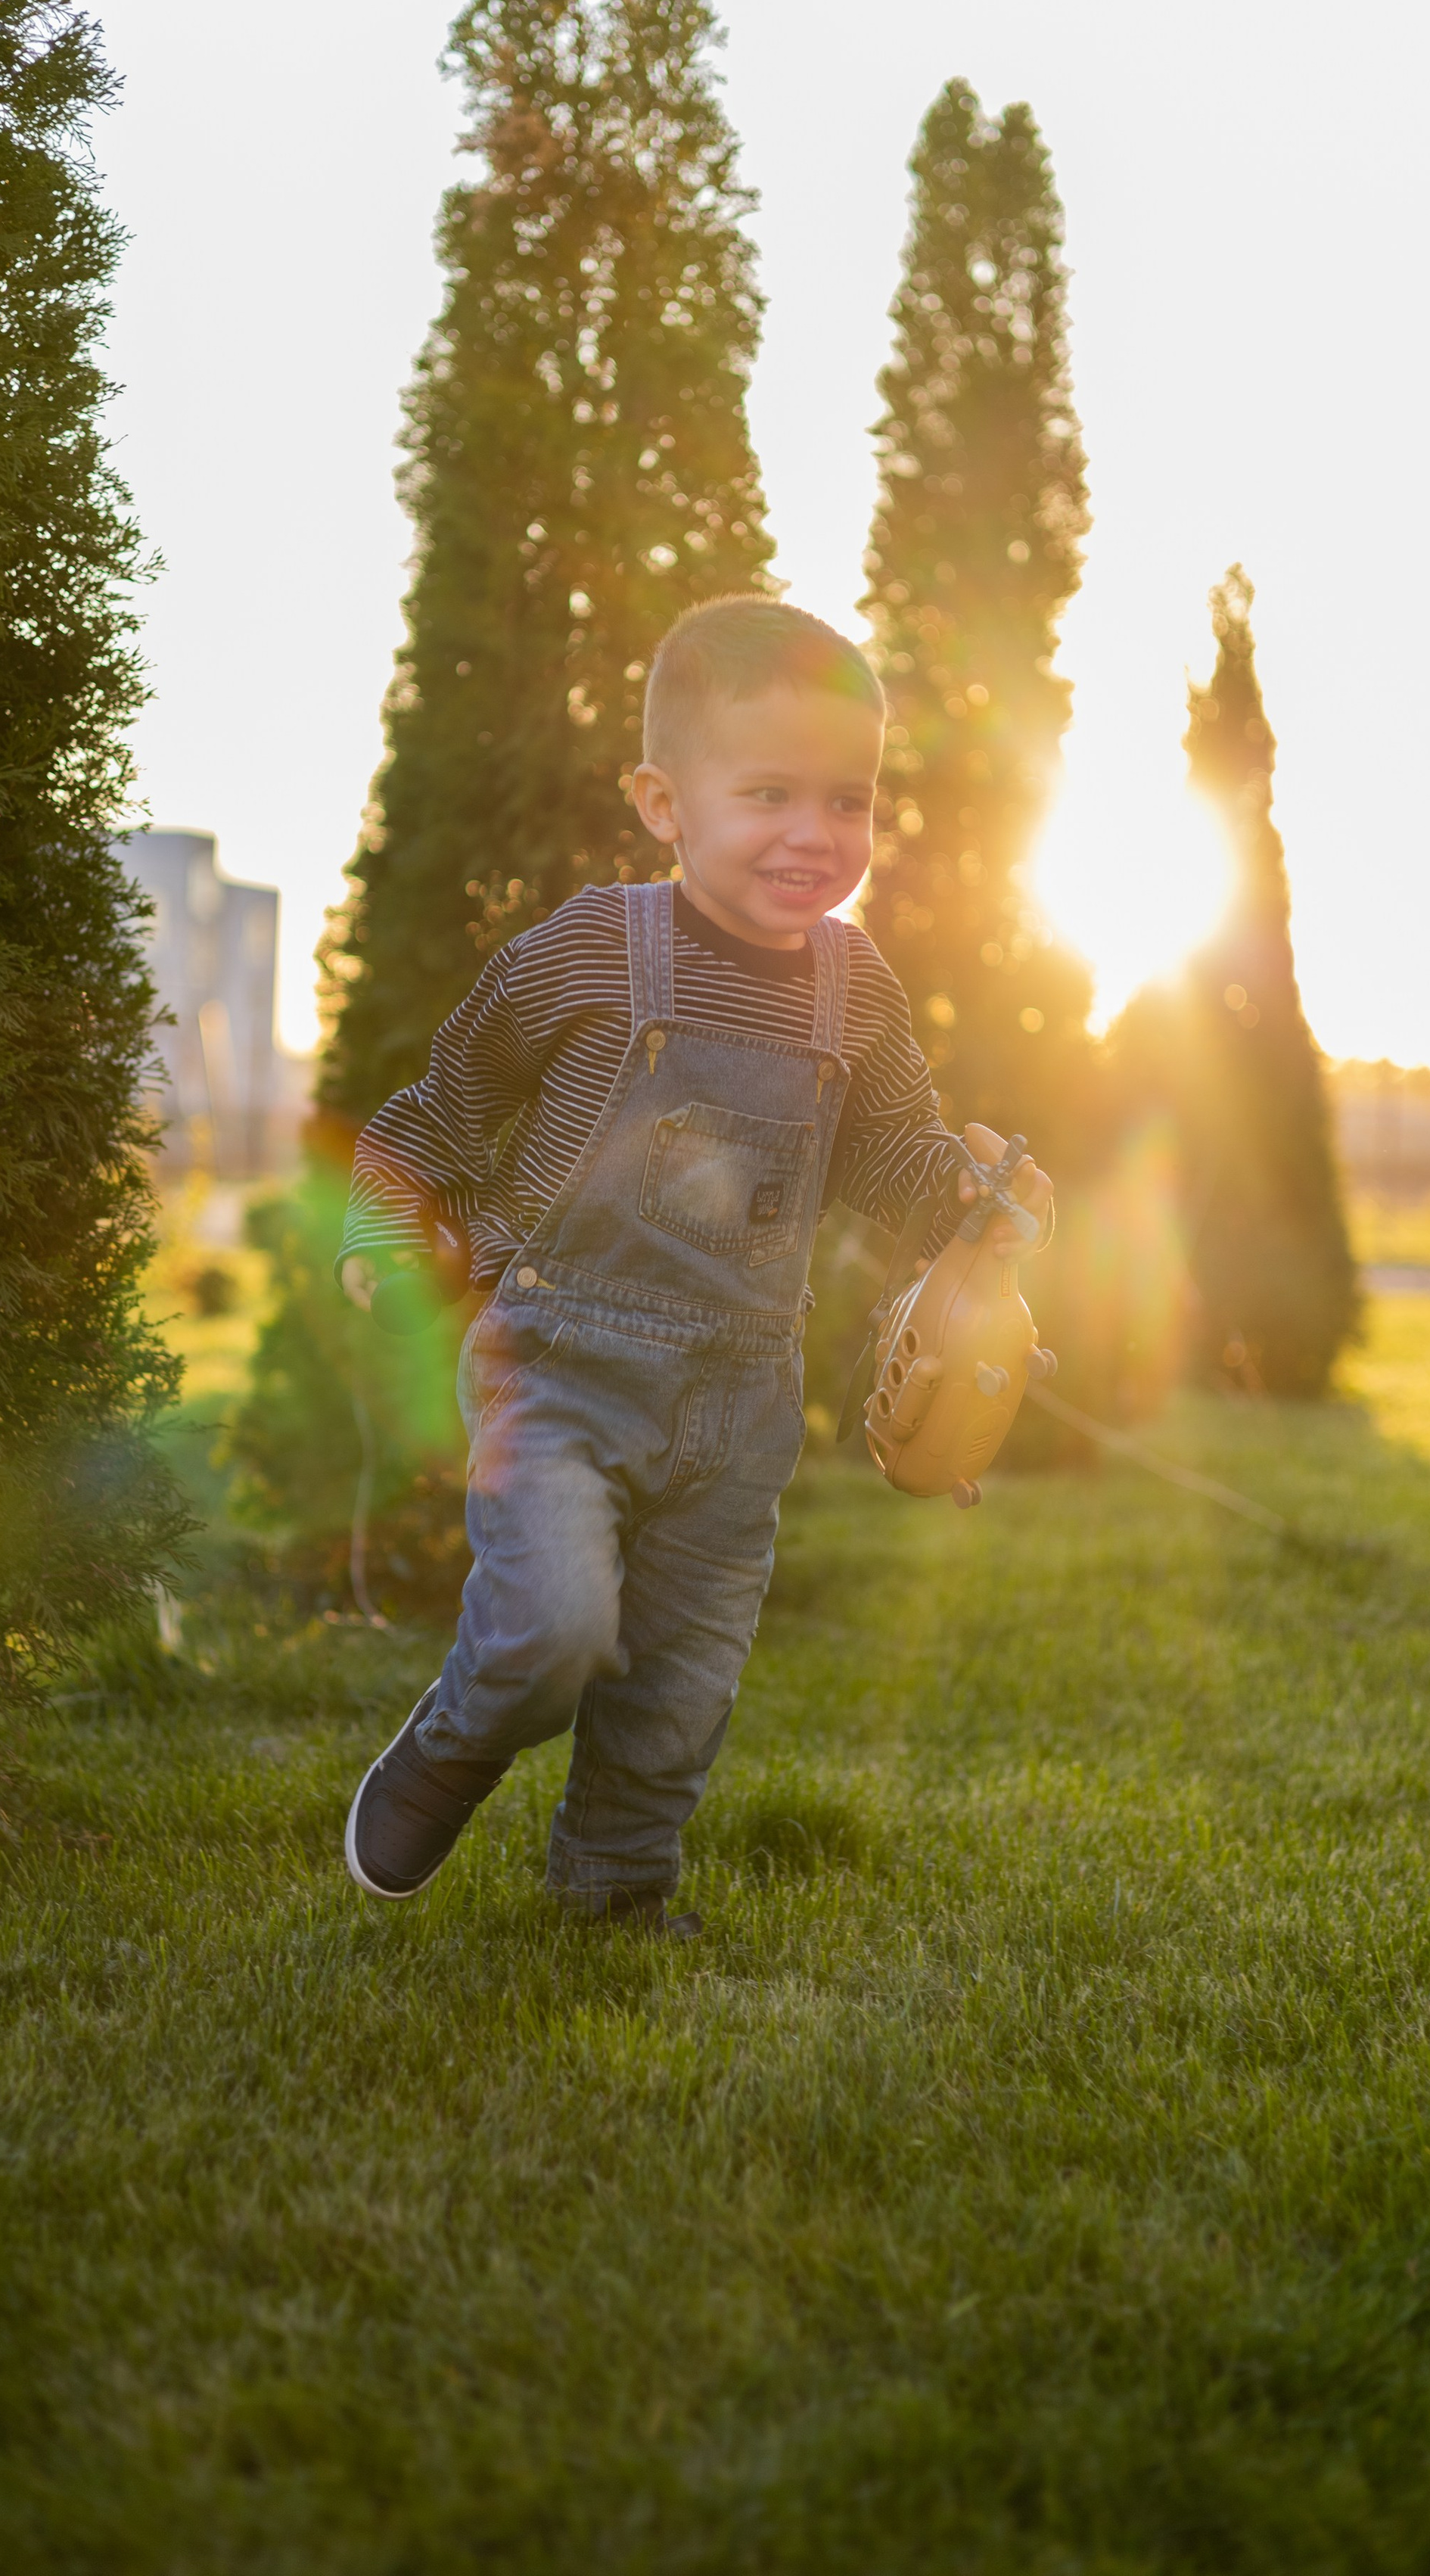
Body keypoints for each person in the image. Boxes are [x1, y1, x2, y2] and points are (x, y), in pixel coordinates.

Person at [337, 597, 1052, 1935]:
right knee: (551, 1631)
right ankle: (456, 1737)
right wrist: (386, 1232)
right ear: (665, 802)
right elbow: (442, 1101)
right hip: (559, 1362)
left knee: (680, 1676)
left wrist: (975, 1201)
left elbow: (890, 1156)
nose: (814, 832)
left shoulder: (859, 988)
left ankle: (613, 1888)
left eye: (849, 799)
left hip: (740, 1397)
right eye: (768, 791)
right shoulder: (595, 949)